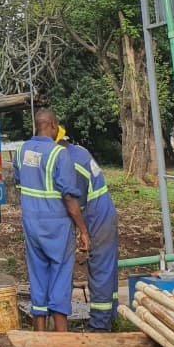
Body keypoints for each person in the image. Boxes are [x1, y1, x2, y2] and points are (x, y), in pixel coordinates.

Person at [13, 108, 90, 332]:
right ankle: (61, 338)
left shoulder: (21, 151)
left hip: (31, 224)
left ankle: (39, 335)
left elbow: (20, 183)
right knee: (60, 274)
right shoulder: (59, 154)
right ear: (54, 126)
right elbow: (69, 197)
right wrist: (83, 229)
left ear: (37, 125)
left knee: (37, 273)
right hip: (56, 225)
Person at [59, 133, 120, 331]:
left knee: (100, 269)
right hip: (102, 210)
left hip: (97, 216)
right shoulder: (78, 152)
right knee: (107, 267)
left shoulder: (70, 164)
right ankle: (111, 316)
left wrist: (81, 230)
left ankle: (99, 327)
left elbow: (73, 202)